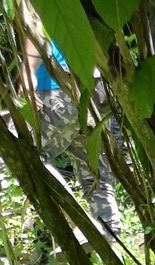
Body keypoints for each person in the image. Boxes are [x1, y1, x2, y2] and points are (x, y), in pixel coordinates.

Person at [21, 24, 122, 240]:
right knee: (96, 175)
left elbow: (35, 20)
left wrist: (28, 69)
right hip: (99, 82)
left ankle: (82, 224)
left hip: (58, 84)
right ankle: (110, 241)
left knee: (27, 154)